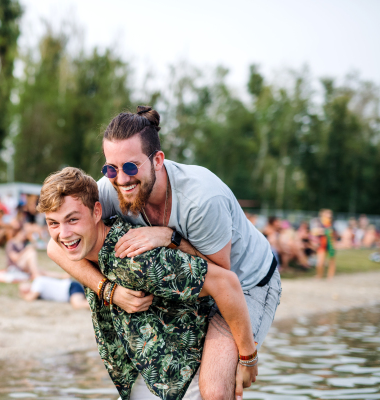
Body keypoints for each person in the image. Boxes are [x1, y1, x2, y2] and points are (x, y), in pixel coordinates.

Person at [47, 106, 280, 400]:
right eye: (111, 168)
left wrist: (247, 356)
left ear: (158, 160)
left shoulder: (201, 200)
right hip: (197, 285)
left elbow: (221, 281)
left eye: (131, 167)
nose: (121, 179)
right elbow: (56, 245)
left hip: (247, 282)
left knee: (215, 391)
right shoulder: (109, 190)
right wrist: (109, 291)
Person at [19, 276, 90, 310]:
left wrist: (23, 296)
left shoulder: (37, 283)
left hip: (70, 288)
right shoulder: (37, 284)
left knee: (77, 304)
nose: (24, 290)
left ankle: (99, 307)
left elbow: (30, 298)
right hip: (70, 289)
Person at [315, 209, 337, 280]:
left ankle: (330, 276)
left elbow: (334, 234)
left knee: (331, 261)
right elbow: (315, 232)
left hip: (330, 244)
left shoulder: (332, 224)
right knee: (320, 263)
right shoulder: (319, 223)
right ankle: (319, 275)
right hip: (322, 244)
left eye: (330, 214)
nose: (329, 216)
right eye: (327, 214)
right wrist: (324, 231)